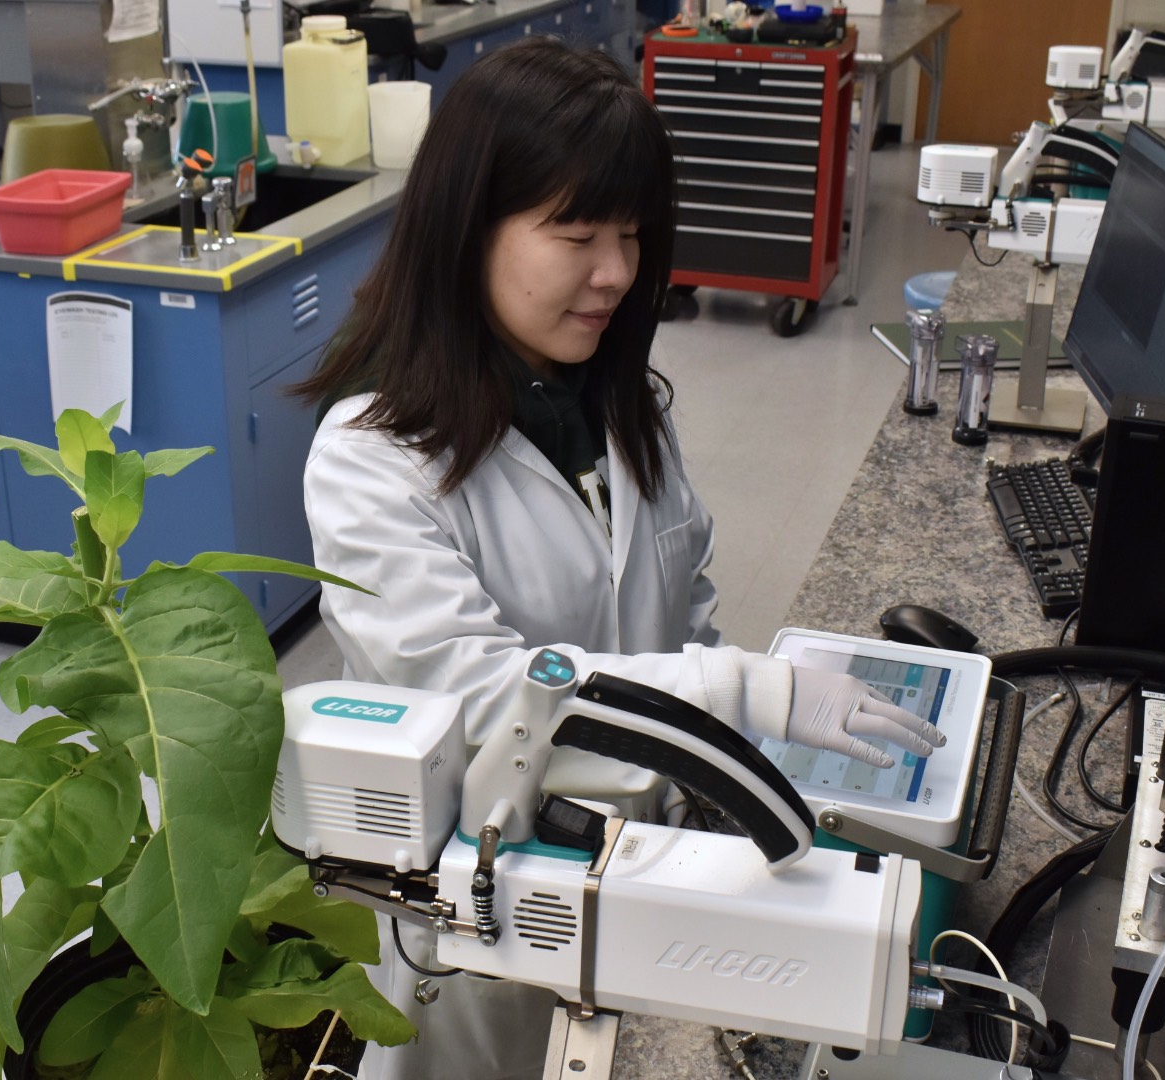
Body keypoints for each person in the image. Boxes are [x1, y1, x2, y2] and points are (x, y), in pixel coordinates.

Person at [294, 38, 944, 1080]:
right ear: (469, 229)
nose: (619, 274)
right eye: (576, 234)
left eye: (634, 235)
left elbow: (678, 614)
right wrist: (740, 693)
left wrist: (746, 763)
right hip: (489, 910)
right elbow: (481, 700)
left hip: (648, 876)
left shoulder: (618, 404)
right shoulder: (372, 459)